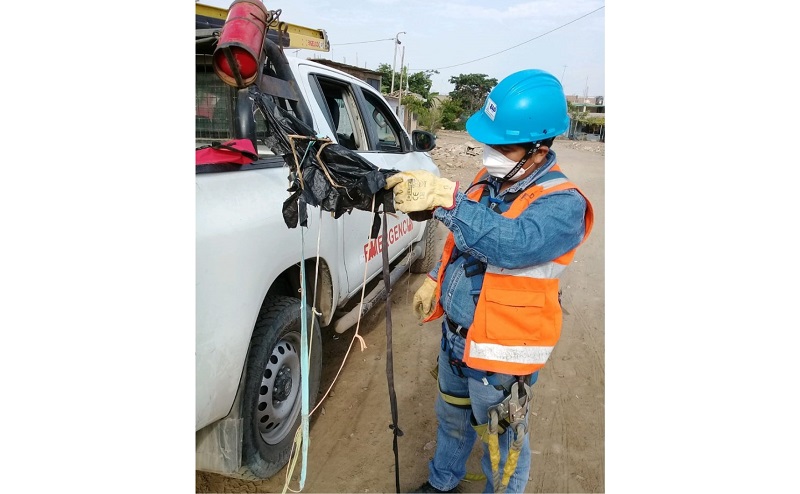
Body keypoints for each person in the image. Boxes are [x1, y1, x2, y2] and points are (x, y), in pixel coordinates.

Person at [384, 69, 594, 493]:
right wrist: (436, 280)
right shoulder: (490, 180)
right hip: (457, 338)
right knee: (452, 420)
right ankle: (442, 483)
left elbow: (509, 244)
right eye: (490, 142)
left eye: (503, 145)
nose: (490, 153)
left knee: (502, 441)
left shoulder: (562, 204)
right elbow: (463, 244)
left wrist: (448, 200)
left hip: (500, 356)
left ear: (539, 150)